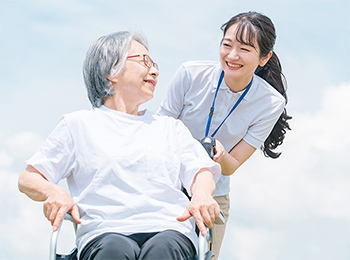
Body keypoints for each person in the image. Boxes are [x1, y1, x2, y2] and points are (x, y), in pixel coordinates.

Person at [18, 31, 222, 260]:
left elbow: (200, 171)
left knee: (163, 250)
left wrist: (202, 194)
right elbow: (29, 178)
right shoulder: (78, 125)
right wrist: (55, 192)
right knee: (114, 249)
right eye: (144, 61)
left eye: (154, 63)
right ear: (110, 72)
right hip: (105, 231)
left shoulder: (169, 128)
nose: (154, 70)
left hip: (170, 228)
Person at [157, 11, 292, 259]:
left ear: (264, 58)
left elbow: (232, 165)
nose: (232, 56)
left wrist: (220, 153)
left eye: (244, 49)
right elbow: (159, 134)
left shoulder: (271, 102)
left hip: (213, 198)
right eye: (227, 45)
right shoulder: (189, 74)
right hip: (166, 188)